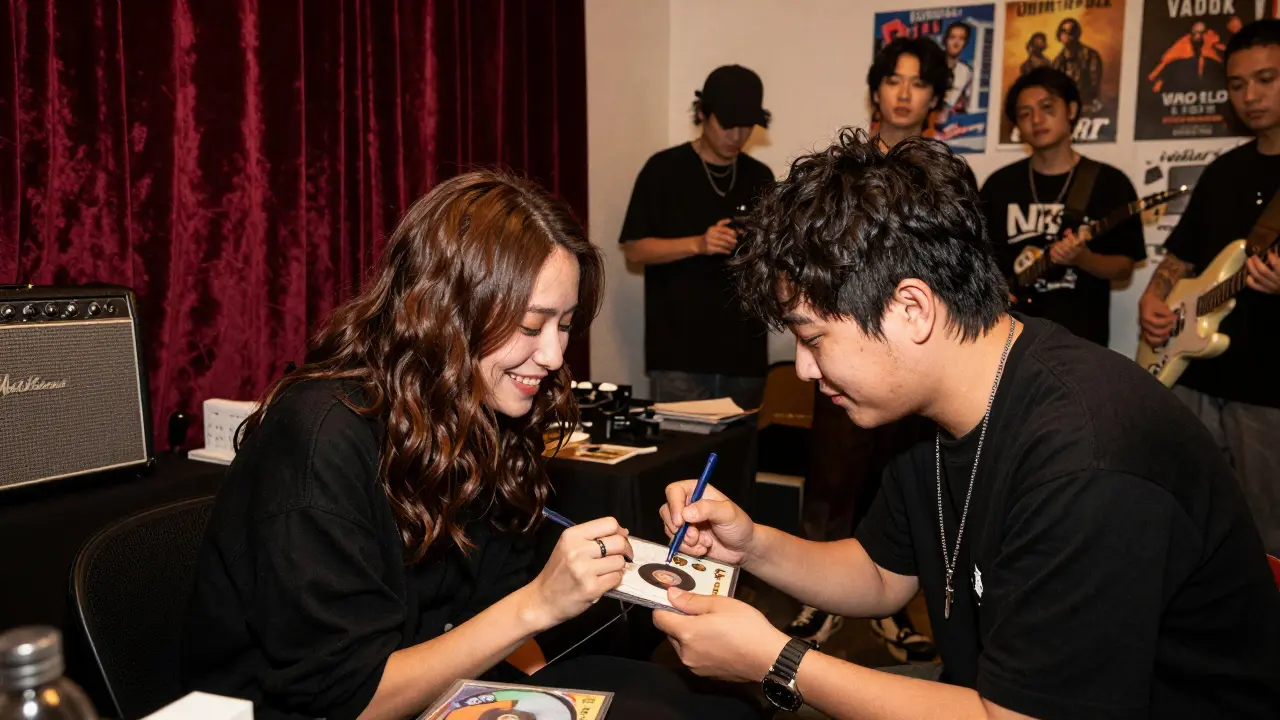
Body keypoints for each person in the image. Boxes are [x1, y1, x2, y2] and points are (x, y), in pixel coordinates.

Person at [652, 128, 1280, 718]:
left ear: (911, 308)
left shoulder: (1088, 457)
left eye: (813, 338)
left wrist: (777, 660)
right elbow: (879, 574)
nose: (807, 370)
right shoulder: (929, 401)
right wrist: (753, 543)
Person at [181, 171, 756, 720]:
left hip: (444, 694)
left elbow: (484, 618)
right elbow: (349, 699)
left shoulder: (483, 411)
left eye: (565, 325)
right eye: (532, 327)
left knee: (709, 706)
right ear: (445, 315)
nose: (555, 357)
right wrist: (538, 604)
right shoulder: (319, 438)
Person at [786, 37, 967, 660]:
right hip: (844, 348)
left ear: (934, 99)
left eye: (919, 83)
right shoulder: (845, 168)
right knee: (831, 474)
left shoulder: (944, 175)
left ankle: (894, 606)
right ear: (877, 90)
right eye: (894, 79)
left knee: (906, 478)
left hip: (914, 358)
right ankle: (819, 596)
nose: (904, 91)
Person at [1139, 19, 1280, 556]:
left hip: (1270, 396)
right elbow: (1181, 256)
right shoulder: (1224, 171)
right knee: (1190, 519)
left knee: (1268, 534)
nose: (1250, 95)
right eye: (1238, 84)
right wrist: (1155, 297)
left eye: (1266, 79)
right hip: (1195, 377)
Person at [620, 65, 774, 409]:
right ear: (703, 114)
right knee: (682, 457)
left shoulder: (759, 175)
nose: (737, 135)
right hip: (680, 355)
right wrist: (698, 244)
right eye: (727, 124)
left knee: (736, 459)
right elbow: (634, 249)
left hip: (744, 353)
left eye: (746, 125)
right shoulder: (663, 169)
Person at [981, 68, 1144, 347]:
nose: (1037, 119)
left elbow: (1124, 268)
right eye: (1025, 113)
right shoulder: (998, 186)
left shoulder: (1109, 182)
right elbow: (980, 261)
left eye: (1047, 107)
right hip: (1009, 342)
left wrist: (1085, 259)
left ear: (1071, 109)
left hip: (1082, 342)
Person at [1052, 18, 1103, 113]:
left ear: (1077, 34)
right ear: (1059, 35)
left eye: (1071, 32)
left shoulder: (1090, 56)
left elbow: (1094, 85)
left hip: (1086, 107)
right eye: (1064, 31)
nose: (1068, 35)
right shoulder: (1057, 62)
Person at [942, 21, 974, 114]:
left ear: (965, 43)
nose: (956, 43)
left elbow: (967, 100)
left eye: (961, 38)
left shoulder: (966, 71)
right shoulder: (933, 64)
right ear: (945, 40)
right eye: (952, 37)